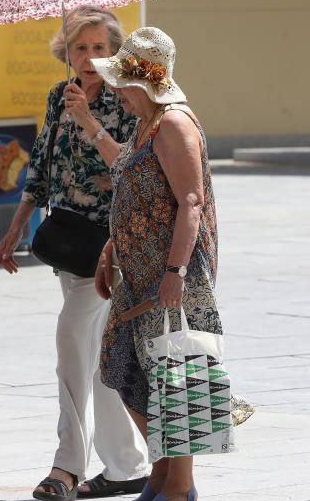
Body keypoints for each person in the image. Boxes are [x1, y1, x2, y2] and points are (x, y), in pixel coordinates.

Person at [0, 5, 150, 500]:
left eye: (99, 47)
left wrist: (87, 120)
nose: (88, 57)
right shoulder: (59, 95)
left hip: (112, 246)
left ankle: (66, 467)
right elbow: (40, 165)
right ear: (67, 51)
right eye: (79, 47)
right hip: (68, 242)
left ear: (114, 50)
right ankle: (127, 467)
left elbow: (131, 166)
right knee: (99, 355)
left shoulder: (130, 98)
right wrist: (14, 227)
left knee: (69, 343)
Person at [92, 27, 221, 501]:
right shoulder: (145, 123)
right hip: (138, 271)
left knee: (177, 378)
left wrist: (176, 274)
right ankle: (163, 473)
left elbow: (191, 202)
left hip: (170, 274)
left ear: (142, 82)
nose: (116, 91)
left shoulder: (173, 124)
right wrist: (111, 248)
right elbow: (131, 189)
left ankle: (178, 486)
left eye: (121, 81)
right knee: (125, 364)